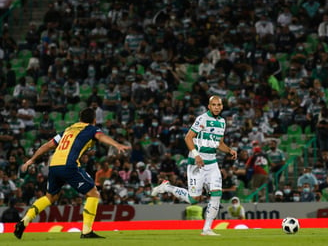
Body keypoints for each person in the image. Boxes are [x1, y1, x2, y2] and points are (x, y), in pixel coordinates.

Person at [14, 108, 131, 239]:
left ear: (80, 119)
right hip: (69, 165)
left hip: (54, 166)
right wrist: (117, 145)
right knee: (93, 193)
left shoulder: (68, 130)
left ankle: (24, 221)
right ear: (94, 120)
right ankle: (87, 231)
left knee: (50, 197)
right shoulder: (91, 129)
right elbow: (101, 136)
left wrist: (30, 160)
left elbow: (47, 146)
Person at [151, 95, 237, 236]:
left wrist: (229, 150)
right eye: (213, 105)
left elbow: (219, 144)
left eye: (219, 105)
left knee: (216, 194)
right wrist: (196, 155)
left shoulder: (222, 122)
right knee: (193, 200)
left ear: (222, 106)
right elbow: (188, 137)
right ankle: (166, 187)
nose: (216, 107)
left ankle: (207, 229)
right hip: (196, 163)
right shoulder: (202, 119)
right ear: (209, 106)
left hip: (212, 162)